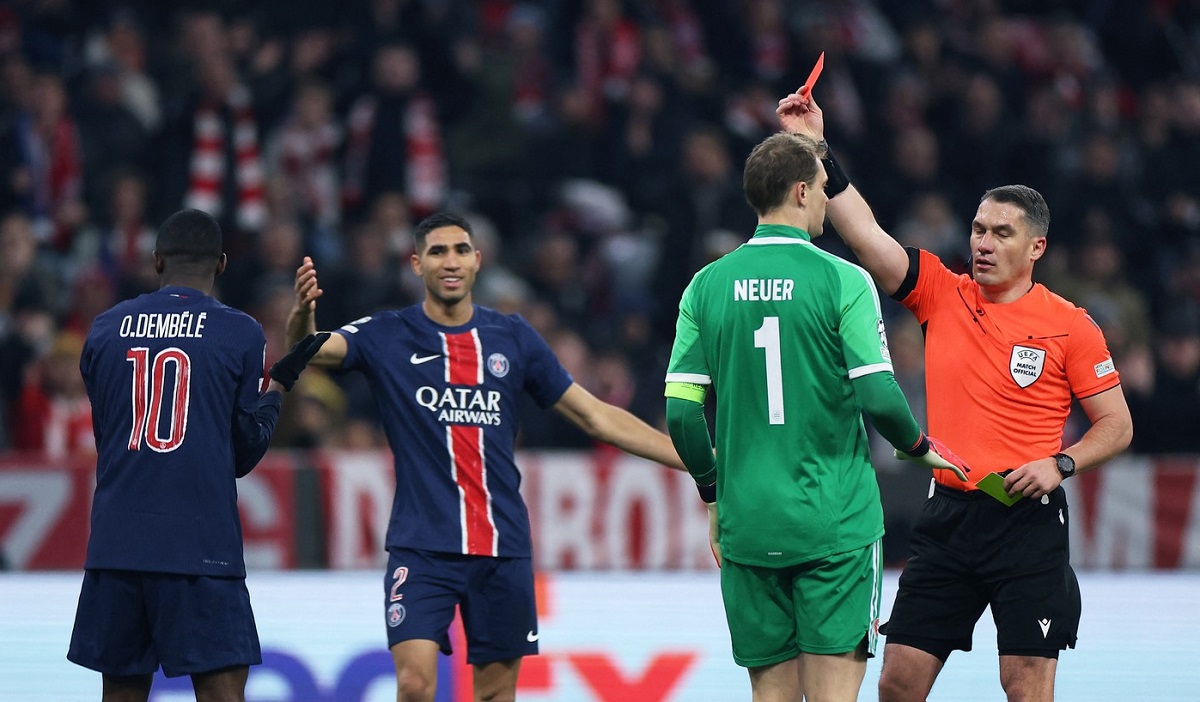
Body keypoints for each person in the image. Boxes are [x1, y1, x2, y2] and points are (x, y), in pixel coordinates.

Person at [776, 92, 1134, 702]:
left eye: (1001, 233)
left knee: (1024, 689)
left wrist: (1060, 463)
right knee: (898, 684)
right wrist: (815, 147)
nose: (984, 243)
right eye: (977, 229)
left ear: (1036, 249)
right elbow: (866, 235)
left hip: (1027, 526)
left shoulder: (1072, 325)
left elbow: (1117, 426)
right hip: (949, 516)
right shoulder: (944, 293)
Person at [285, 211, 686, 702]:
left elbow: (597, 416)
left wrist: (689, 458)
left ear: (477, 261)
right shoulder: (389, 334)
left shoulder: (513, 338)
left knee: (496, 694)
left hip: (502, 548)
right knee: (413, 685)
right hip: (422, 547)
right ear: (416, 264)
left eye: (459, 250)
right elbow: (307, 350)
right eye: (436, 252)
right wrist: (303, 313)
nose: (449, 261)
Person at [663, 131, 970, 702]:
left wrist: (714, 493)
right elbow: (880, 397)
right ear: (801, 191)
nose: (829, 201)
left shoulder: (704, 286)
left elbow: (681, 415)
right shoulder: (843, 280)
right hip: (835, 523)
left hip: (748, 520)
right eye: (826, 188)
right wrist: (918, 443)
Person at [67, 209, 327, 701]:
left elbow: (110, 434)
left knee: (120, 694)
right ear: (223, 264)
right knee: (222, 694)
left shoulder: (103, 329)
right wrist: (278, 388)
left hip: (118, 544)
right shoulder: (239, 332)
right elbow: (244, 451)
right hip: (200, 547)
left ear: (157, 260)